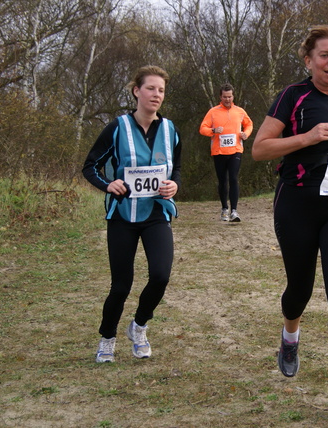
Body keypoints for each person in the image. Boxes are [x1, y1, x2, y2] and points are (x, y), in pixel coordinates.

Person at [251, 25, 328, 415]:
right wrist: (305, 138)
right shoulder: (293, 96)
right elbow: (259, 148)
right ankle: (290, 336)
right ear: (309, 60)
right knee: (300, 289)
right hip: (298, 204)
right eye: (325, 55)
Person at [82, 65, 182, 363]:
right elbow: (90, 167)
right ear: (136, 91)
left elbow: (176, 168)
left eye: (161, 90)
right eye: (151, 88)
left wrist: (174, 185)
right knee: (121, 284)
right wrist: (108, 184)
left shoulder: (170, 129)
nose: (156, 94)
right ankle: (107, 338)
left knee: (161, 275)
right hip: (123, 217)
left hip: (156, 213)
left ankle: (139, 326)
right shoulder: (117, 128)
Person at [199, 83, 253, 222]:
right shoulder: (213, 111)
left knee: (234, 178)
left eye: (229, 97)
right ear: (220, 97)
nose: (227, 99)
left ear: (233, 96)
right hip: (219, 151)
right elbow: (202, 128)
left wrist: (245, 134)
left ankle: (234, 211)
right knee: (223, 180)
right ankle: (224, 208)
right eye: (224, 97)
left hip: (235, 150)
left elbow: (249, 124)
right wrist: (213, 131)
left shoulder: (240, 111)